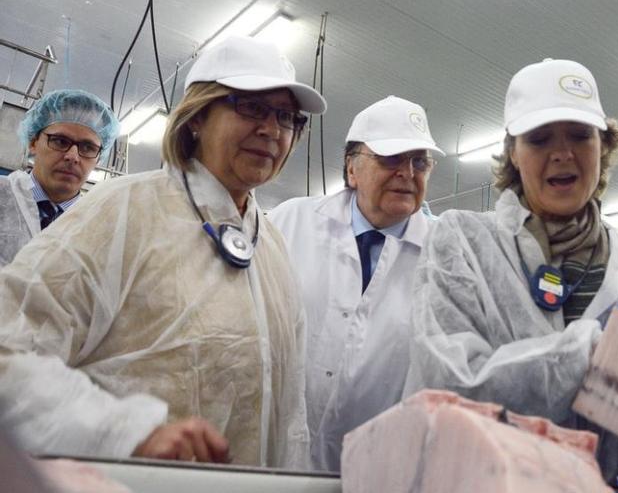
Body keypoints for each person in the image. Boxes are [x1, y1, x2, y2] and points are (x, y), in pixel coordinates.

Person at [0, 35, 326, 468]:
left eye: (287, 117)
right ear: (197, 117)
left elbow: (289, 410)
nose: (271, 129)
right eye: (251, 107)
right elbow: (10, 350)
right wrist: (124, 431)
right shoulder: (124, 209)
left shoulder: (272, 247)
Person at [403, 58, 618, 492]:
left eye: (581, 136)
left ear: (604, 145)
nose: (563, 153)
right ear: (513, 154)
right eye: (540, 139)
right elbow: (451, 384)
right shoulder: (462, 240)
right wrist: (597, 351)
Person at [269, 95, 444, 471]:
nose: (407, 173)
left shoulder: (444, 256)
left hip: (381, 470)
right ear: (352, 169)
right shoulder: (288, 223)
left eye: (419, 162)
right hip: (279, 460)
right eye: (391, 159)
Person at [0, 89, 119, 266]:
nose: (73, 156)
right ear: (33, 142)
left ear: (99, 159)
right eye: (60, 141)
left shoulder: (101, 230)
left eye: (87, 148)